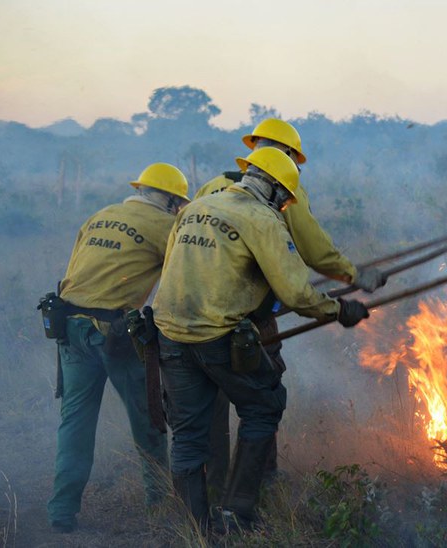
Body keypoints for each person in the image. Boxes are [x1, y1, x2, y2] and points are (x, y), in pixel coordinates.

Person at [152, 147, 370, 531]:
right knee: (264, 407)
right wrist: (339, 311)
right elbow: (297, 294)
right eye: (285, 200)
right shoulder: (262, 218)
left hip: (168, 334)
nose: (285, 207)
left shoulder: (195, 208)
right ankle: (237, 514)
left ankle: (194, 530)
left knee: (187, 435)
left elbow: (174, 267)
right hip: (218, 336)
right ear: (272, 190)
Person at [194, 118, 387, 504]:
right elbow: (314, 250)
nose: (294, 171)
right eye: (293, 162)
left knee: (208, 409)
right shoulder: (279, 190)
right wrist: (354, 275)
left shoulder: (211, 186)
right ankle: (259, 488)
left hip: (195, 320)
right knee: (263, 397)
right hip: (245, 320)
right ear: (283, 156)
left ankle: (212, 492)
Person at [45, 163, 190, 533]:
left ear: (141, 190)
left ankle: (61, 511)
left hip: (68, 326)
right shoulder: (167, 226)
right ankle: (159, 510)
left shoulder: (101, 215)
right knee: (149, 420)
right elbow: (182, 282)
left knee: (75, 422)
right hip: (115, 334)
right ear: (172, 200)